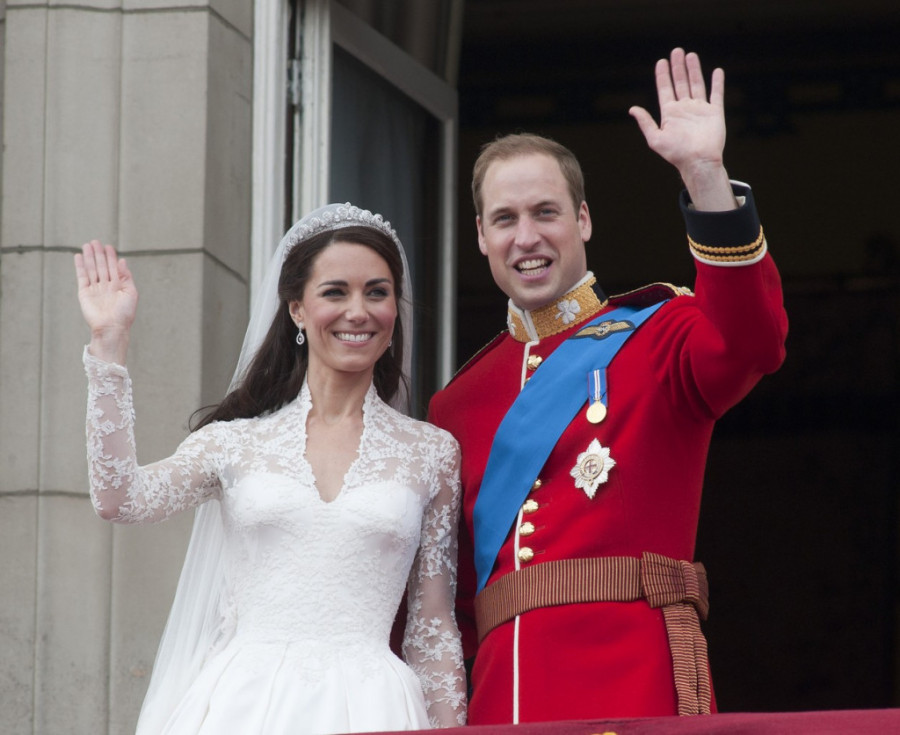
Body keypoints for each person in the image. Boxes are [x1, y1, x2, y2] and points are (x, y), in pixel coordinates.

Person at [428, 48, 789, 723]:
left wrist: (705, 176)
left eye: (546, 212)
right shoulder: (457, 403)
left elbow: (752, 341)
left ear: (584, 220)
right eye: (505, 219)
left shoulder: (659, 335)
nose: (526, 236)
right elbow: (453, 603)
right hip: (504, 698)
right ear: (480, 236)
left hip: (631, 680)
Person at [75, 203, 466, 734]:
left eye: (377, 292)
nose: (359, 311)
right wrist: (109, 345)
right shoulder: (235, 442)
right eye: (335, 292)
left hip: (376, 707)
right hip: (245, 704)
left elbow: (432, 625)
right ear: (297, 310)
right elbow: (121, 499)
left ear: (395, 310)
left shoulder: (433, 452)